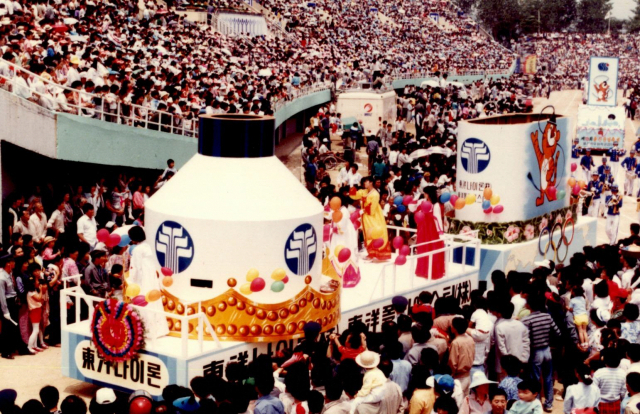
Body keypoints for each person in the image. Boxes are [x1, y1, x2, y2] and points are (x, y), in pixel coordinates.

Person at [127, 226, 169, 340]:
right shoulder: (148, 246)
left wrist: (131, 281)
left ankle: (147, 330)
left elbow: (135, 268)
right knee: (153, 301)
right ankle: (159, 329)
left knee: (144, 301)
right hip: (151, 278)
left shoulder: (137, 250)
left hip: (143, 279)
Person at [520, 296, 560, 412]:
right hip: (547, 350)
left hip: (535, 352)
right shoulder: (547, 316)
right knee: (548, 378)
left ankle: (536, 403)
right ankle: (549, 404)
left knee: (535, 379)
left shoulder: (526, 320)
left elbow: (525, 338)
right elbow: (557, 332)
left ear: (529, 306)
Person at [350, 177, 391, 260]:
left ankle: (378, 253)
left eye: (366, 182)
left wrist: (363, 210)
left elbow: (372, 209)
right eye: (364, 182)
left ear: (371, 182)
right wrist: (352, 188)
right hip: (366, 216)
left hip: (374, 217)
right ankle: (371, 253)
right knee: (367, 234)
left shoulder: (376, 194)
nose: (364, 183)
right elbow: (354, 196)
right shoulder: (364, 191)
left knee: (374, 233)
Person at [415, 190, 445, 279]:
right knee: (423, 249)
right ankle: (423, 270)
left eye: (425, 192)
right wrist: (415, 198)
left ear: (429, 193)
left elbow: (437, 219)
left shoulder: (436, 205)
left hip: (432, 229)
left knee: (432, 248)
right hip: (423, 228)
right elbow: (413, 209)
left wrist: (440, 232)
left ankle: (433, 271)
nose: (424, 194)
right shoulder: (422, 202)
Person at [594, 348, 627, 414]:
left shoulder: (599, 372)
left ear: (604, 360)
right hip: (616, 404)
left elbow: (594, 390)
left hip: (601, 403)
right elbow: (623, 392)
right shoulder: (623, 373)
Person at [449, 317, 475, 396]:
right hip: (468, 375)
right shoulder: (470, 339)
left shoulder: (456, 342)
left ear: (455, 329)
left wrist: (451, 375)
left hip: (459, 377)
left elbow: (453, 363)